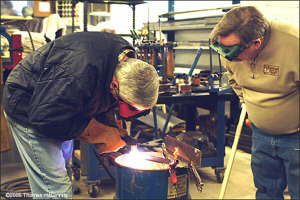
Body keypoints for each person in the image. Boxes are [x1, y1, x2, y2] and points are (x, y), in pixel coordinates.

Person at [2, 31, 159, 199]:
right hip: (29, 104)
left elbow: (100, 94)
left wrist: (113, 127)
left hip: (64, 100)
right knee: (55, 186)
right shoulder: (77, 72)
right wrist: (102, 135)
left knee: (65, 167)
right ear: (114, 85)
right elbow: (45, 117)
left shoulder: (126, 59)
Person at [210, 6, 299, 199]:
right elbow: (234, 79)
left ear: (256, 43)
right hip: (260, 133)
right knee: (266, 190)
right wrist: (248, 104)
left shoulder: (295, 44)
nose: (227, 56)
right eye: (222, 49)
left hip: (295, 138)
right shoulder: (228, 47)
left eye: (232, 51)